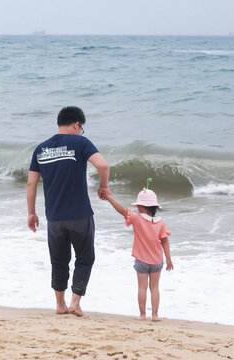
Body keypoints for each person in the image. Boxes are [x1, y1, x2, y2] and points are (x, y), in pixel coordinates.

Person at [27, 106, 110, 317]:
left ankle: (60, 304)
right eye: (81, 128)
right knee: (85, 258)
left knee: (59, 260)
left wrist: (31, 213)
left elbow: (31, 184)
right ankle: (75, 302)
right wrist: (104, 186)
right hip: (80, 214)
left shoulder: (41, 149)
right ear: (76, 125)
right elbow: (103, 165)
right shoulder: (80, 142)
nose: (81, 132)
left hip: (54, 217)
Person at [102, 182, 173, 321]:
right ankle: (155, 315)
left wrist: (109, 198)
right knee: (154, 288)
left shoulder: (137, 218)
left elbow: (122, 210)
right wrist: (169, 258)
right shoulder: (161, 222)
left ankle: (142, 315)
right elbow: (165, 241)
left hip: (141, 260)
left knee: (142, 288)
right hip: (157, 260)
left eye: (139, 206)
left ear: (141, 207)